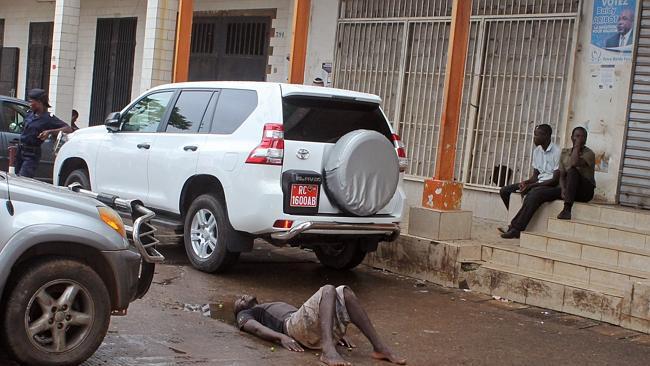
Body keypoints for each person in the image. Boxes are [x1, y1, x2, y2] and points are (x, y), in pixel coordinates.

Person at [234, 285, 406, 366]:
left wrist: (334, 331)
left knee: (345, 293)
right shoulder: (246, 314)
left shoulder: (268, 306)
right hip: (291, 328)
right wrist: (281, 337)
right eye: (238, 302)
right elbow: (255, 328)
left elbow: (316, 313)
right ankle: (328, 351)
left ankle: (379, 348)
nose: (241, 297)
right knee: (328, 289)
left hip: (305, 326)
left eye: (240, 296)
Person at [499, 124, 561, 239]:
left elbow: (554, 180)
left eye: (537, 135)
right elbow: (535, 176)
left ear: (547, 136)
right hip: (538, 183)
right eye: (534, 135)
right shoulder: (537, 151)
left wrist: (532, 186)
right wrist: (526, 182)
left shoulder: (557, 152)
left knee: (533, 194)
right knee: (505, 191)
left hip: (551, 186)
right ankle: (513, 222)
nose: (534, 138)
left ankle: (516, 229)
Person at [16, 89, 73, 178]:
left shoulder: (48, 118)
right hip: (20, 151)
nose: (29, 104)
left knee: (24, 179)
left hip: (31, 154)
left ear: (39, 102)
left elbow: (68, 129)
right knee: (15, 179)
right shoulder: (30, 114)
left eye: (31, 102)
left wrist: (49, 132)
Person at [557, 127, 596, 220]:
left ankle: (567, 210)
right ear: (572, 138)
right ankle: (517, 227)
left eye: (583, 137)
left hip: (585, 191)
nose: (580, 139)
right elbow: (561, 175)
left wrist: (577, 146)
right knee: (539, 193)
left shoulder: (589, 153)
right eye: (577, 136)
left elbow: (574, 163)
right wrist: (563, 189)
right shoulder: (565, 153)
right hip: (569, 189)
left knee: (572, 171)